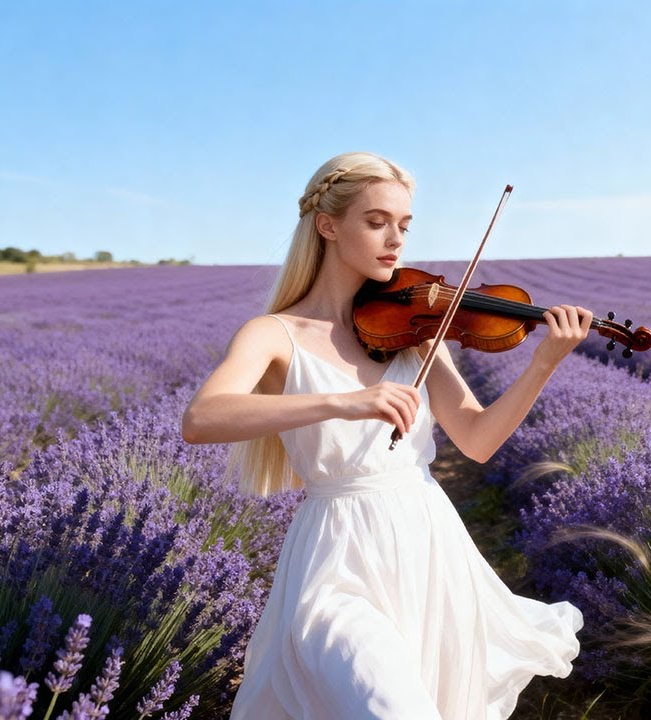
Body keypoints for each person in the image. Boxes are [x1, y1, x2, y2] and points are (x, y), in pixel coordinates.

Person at [181, 151, 589, 719]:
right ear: (328, 226)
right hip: (335, 554)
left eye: (404, 225)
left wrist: (543, 363)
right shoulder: (272, 334)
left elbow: (477, 439)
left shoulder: (416, 331)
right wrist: (343, 402)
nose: (395, 240)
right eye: (377, 222)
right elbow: (201, 418)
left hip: (427, 543)